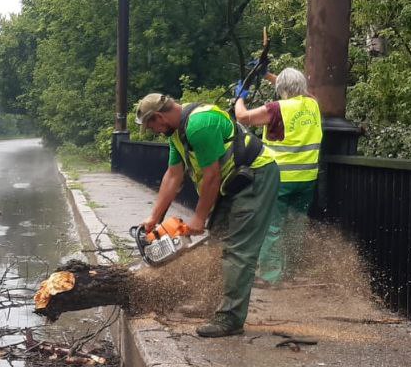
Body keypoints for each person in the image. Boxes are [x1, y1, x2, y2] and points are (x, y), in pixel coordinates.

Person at [135, 92, 280, 338]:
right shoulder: (177, 135)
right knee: (217, 243)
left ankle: (230, 318)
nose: (155, 131)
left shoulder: (199, 125)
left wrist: (199, 219)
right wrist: (154, 219)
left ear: (159, 116)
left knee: (237, 249)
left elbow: (211, 175)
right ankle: (210, 302)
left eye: (153, 126)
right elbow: (173, 175)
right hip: (231, 184)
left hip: (255, 178)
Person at [234, 67, 322, 284]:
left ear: (281, 89)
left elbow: (243, 117)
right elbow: (297, 90)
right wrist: (267, 75)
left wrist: (239, 97)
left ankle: (271, 276)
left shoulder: (276, 109)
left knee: (271, 226)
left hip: (280, 178)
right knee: (296, 225)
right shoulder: (313, 104)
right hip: (307, 178)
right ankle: (291, 272)